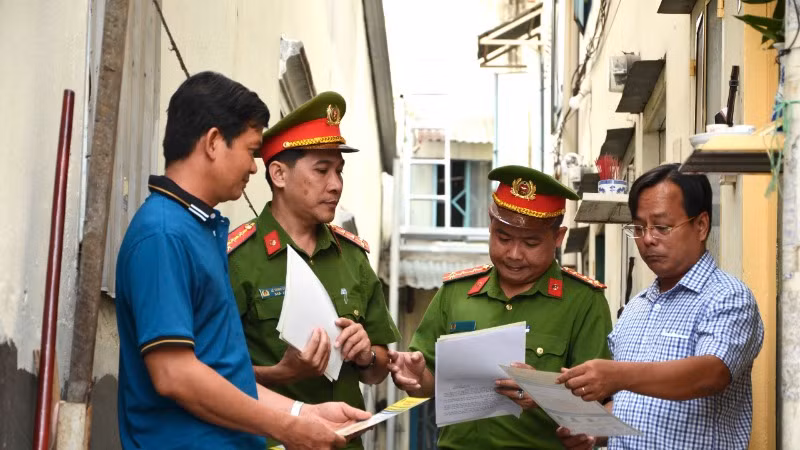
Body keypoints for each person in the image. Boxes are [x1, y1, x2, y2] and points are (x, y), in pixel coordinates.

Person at [115, 72, 370, 450]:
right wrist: (286, 428)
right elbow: (175, 374)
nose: (255, 167)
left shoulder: (198, 229)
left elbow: (223, 373)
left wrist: (303, 413)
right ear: (214, 142)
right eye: (251, 152)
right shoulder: (164, 234)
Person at [386, 166, 613, 449]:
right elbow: (429, 384)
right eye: (503, 238)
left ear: (558, 237)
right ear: (490, 225)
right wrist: (417, 377)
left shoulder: (583, 301)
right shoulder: (456, 294)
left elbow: (601, 404)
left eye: (531, 242)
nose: (514, 254)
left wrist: (543, 392)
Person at [227, 91, 401, 449]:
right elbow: (213, 375)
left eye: (338, 171)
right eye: (322, 171)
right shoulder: (237, 258)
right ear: (278, 174)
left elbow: (380, 368)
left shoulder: (352, 256)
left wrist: (367, 353)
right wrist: (283, 373)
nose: (335, 184)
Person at [556, 164, 764, 450]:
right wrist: (593, 430)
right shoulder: (636, 308)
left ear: (701, 226)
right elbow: (631, 404)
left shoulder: (727, 297)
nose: (648, 239)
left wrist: (618, 375)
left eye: (662, 227)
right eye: (639, 228)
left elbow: (710, 374)